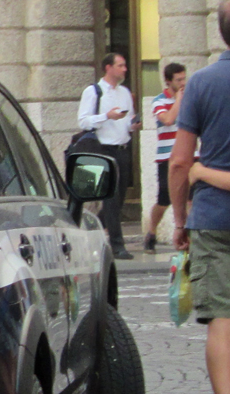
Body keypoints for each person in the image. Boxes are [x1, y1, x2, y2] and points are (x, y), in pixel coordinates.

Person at [168, 0, 230, 394]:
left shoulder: (200, 83)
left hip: (215, 220)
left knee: (222, 321)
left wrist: (180, 221)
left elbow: (180, 161)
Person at [77, 52, 139, 259]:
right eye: (120, 66)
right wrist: (106, 116)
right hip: (103, 149)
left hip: (122, 148)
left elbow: (127, 123)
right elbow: (83, 121)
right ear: (108, 68)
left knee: (119, 196)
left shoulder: (125, 93)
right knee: (111, 198)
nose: (124, 69)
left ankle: (94, 227)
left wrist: (133, 125)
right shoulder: (93, 91)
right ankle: (117, 244)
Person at [145, 62, 188, 252]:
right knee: (164, 200)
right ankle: (151, 231)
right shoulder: (159, 101)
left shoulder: (190, 97)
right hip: (167, 156)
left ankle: (190, 237)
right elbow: (168, 119)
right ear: (169, 81)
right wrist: (179, 99)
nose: (182, 82)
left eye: (184, 78)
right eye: (178, 80)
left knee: (192, 198)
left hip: (190, 154)